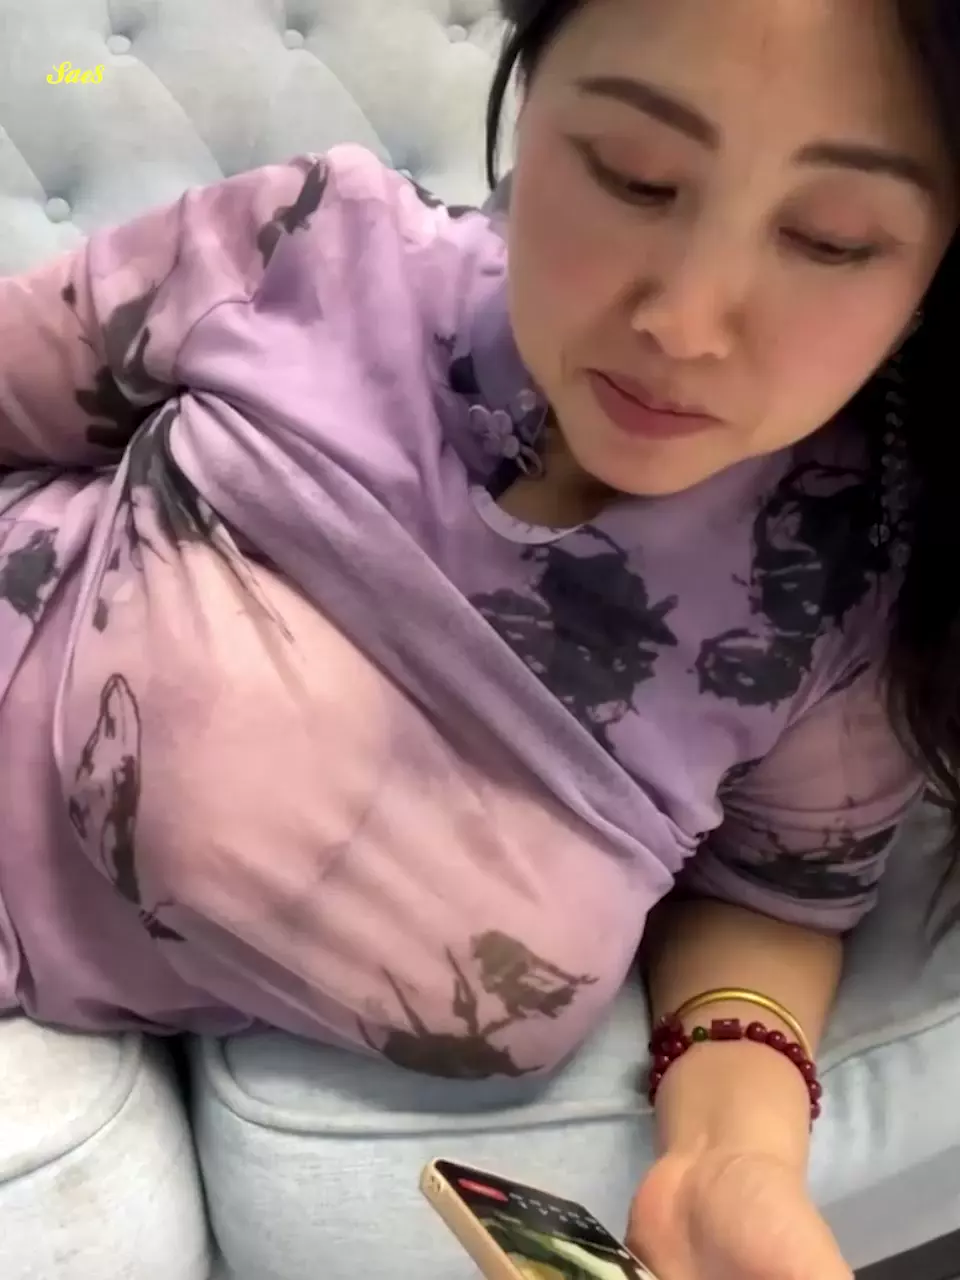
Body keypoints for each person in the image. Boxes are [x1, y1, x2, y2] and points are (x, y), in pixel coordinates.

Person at [0, 0, 957, 1276]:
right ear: (530, 89)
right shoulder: (315, 250)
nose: (686, 319)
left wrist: (732, 1155)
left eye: (831, 238)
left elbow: (772, 896)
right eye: (635, 174)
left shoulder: (850, 586)